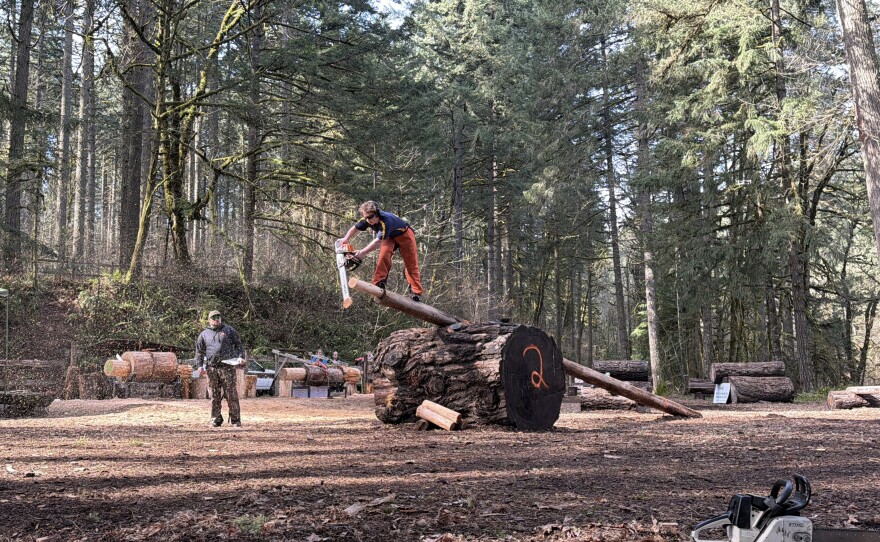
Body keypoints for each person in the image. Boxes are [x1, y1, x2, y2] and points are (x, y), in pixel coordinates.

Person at [337, 200, 424, 302]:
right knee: (384, 255)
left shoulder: (386, 222)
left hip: (405, 235)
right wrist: (346, 238)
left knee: (411, 263)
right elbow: (355, 228)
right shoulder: (367, 219)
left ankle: (416, 292)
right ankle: (379, 282)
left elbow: (378, 242)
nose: (368, 220)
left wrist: (362, 253)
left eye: (370, 217)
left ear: (377, 214)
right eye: (365, 217)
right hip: (390, 237)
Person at [195, 310, 245, 427]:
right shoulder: (204, 334)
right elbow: (199, 352)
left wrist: (241, 357)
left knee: (231, 394)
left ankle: (235, 420)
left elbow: (239, 345)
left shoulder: (229, 330)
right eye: (213, 318)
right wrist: (199, 366)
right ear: (209, 320)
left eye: (218, 317)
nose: (216, 319)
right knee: (214, 395)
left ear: (221, 318)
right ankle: (216, 419)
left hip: (227, 367)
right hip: (212, 369)